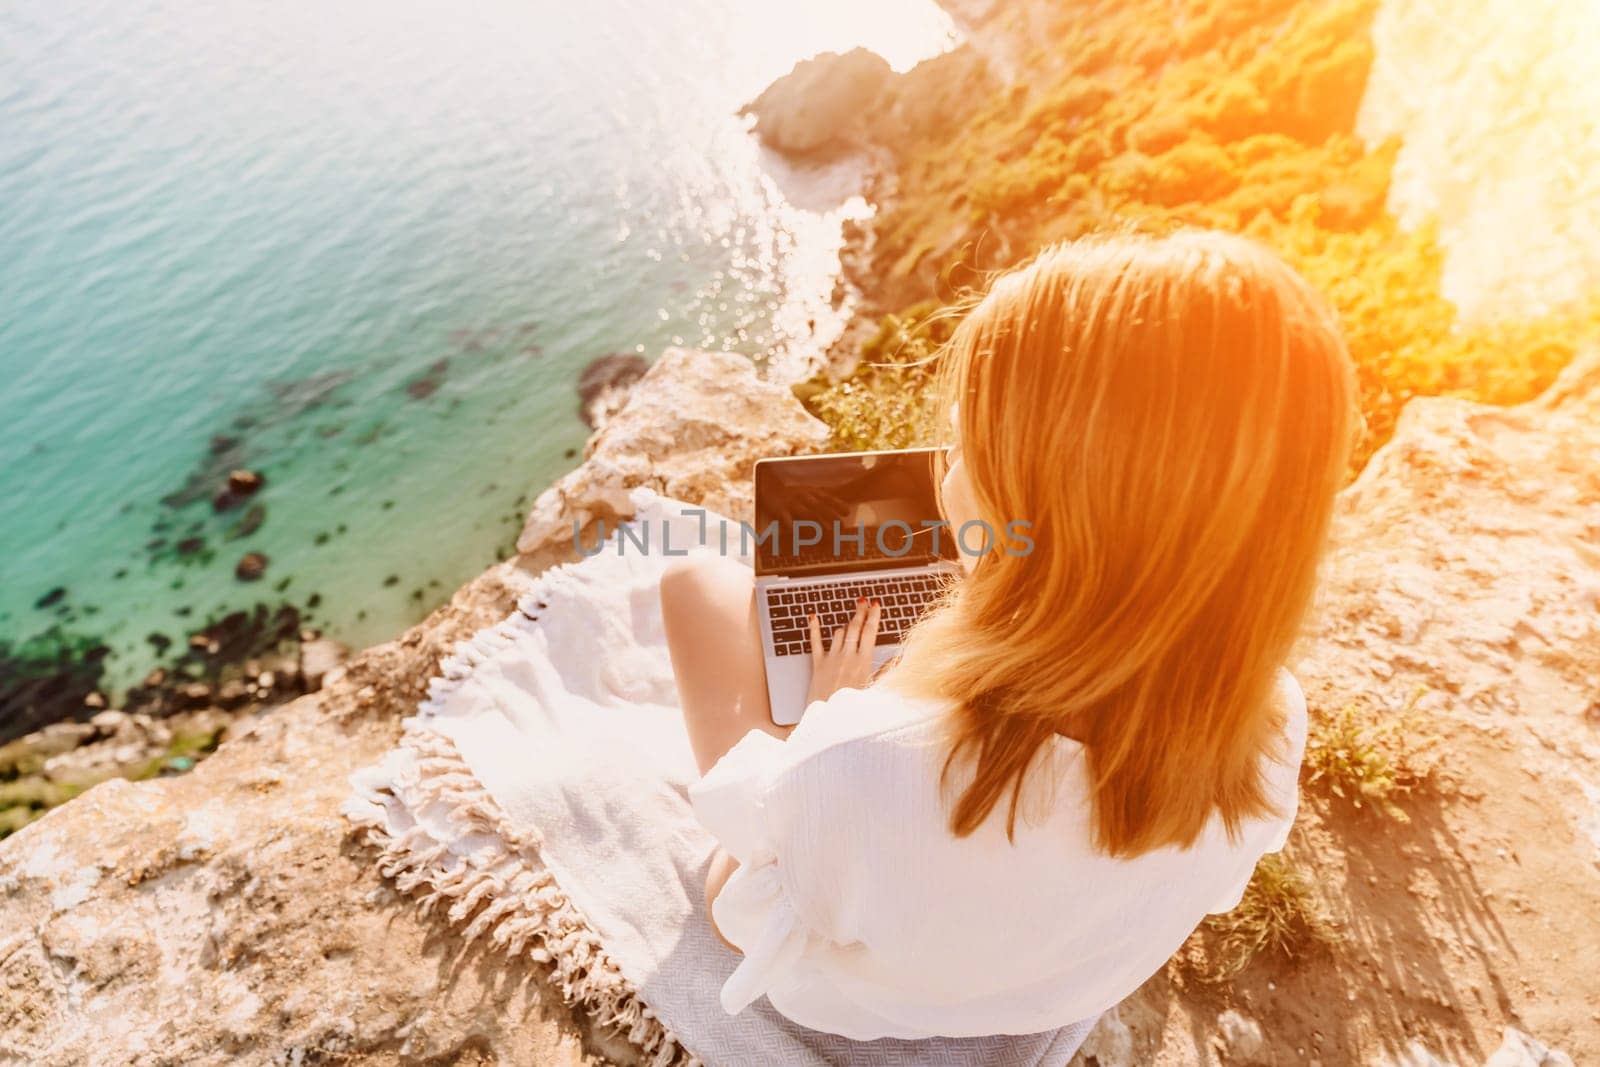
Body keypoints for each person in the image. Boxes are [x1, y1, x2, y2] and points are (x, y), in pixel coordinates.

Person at [658, 230, 1359, 1041]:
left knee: (695, 585)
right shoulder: (1267, 723)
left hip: (867, 1002)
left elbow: (729, 909)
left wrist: (823, 714)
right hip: (1047, 992)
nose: (942, 468)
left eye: (967, 447)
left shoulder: (854, 759)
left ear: (1043, 510)